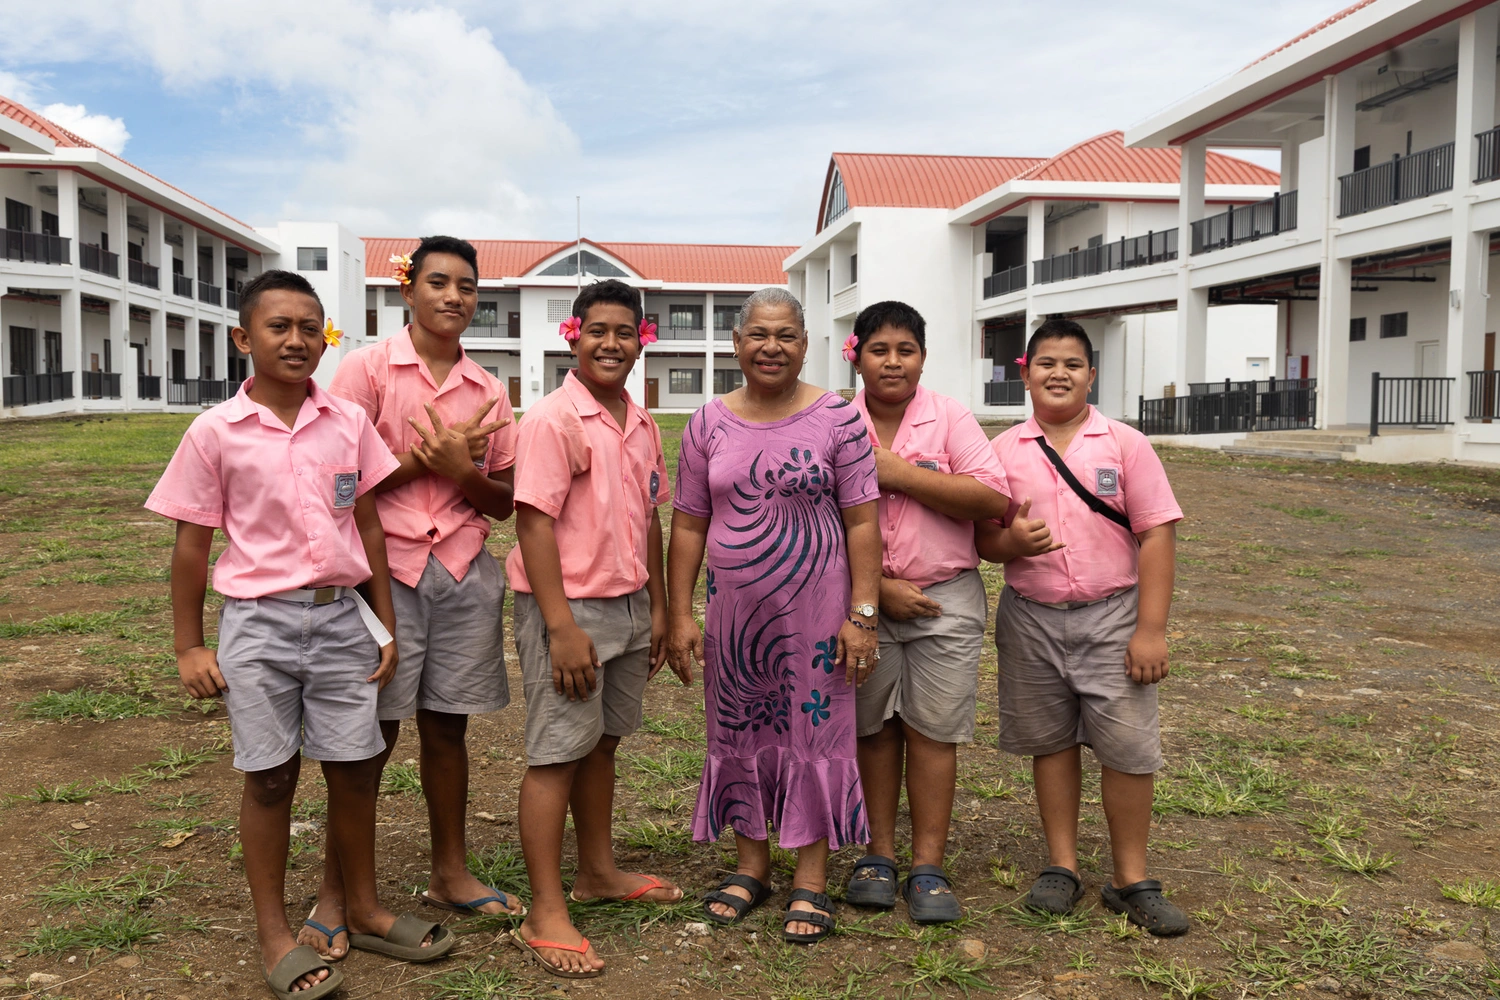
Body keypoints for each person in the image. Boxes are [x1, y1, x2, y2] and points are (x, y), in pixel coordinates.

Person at [146, 270, 453, 1000]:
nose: (296, 339)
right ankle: (273, 930)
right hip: (259, 625)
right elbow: (192, 547)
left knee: (353, 767)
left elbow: (369, 524)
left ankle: (367, 907)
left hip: (343, 618)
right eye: (279, 326)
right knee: (271, 776)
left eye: (310, 327)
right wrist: (190, 644)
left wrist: (382, 623)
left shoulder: (347, 421)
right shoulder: (215, 432)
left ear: (326, 339)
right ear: (243, 337)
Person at [319, 235, 522, 952]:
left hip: (462, 570)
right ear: (407, 290)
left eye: (467, 286)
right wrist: (422, 462)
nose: (454, 297)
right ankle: (338, 892)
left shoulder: (487, 388)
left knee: (447, 728)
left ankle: (450, 872)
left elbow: (502, 503)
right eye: (438, 282)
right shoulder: (367, 370)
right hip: (385, 569)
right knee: (367, 735)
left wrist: (462, 472)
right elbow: (336, 486)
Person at [666, 287, 882, 945]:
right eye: (759, 334)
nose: (771, 347)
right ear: (737, 343)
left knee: (816, 737)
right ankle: (751, 865)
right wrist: (679, 613)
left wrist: (864, 615)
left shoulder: (840, 419)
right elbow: (687, 525)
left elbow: (864, 523)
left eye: (785, 335)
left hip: (818, 621)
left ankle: (811, 878)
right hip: (735, 621)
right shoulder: (706, 424)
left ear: (805, 342)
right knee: (740, 733)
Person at [976, 317, 1186, 936]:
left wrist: (1150, 630)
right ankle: (1061, 866)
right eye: (1046, 363)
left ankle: (1131, 877)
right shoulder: (1000, 452)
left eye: (1072, 364)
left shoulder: (1125, 444)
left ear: (1092, 375)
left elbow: (1157, 534)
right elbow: (984, 539)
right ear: (1024, 373)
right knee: (1051, 742)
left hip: (1113, 616)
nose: (1059, 373)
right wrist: (1009, 539)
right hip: (1030, 618)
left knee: (1127, 749)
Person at [507, 278, 679, 979]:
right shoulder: (555, 419)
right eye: (596, 329)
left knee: (602, 744)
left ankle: (597, 870)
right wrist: (559, 627)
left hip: (630, 606)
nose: (611, 342)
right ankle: (544, 909)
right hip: (570, 611)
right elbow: (533, 522)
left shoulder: (643, 423)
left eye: (624, 331)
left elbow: (651, 519)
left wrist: (662, 608)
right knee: (557, 754)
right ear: (572, 335)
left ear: (642, 339)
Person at [842, 301, 1010, 924]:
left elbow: (992, 495)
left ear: (922, 357)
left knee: (934, 731)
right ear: (855, 353)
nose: (892, 361)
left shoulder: (951, 417)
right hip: (860, 602)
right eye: (879, 349)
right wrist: (877, 589)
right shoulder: (833, 420)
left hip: (947, 600)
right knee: (874, 729)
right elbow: (811, 518)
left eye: (905, 350)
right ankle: (877, 856)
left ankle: (928, 866)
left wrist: (900, 474)